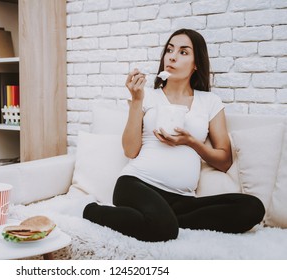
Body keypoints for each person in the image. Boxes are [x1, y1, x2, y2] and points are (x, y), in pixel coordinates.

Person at [83, 29, 265, 242]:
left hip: (182, 200)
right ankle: (92, 211)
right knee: (164, 230)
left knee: (252, 208)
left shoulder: (210, 102)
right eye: (169, 50)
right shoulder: (147, 96)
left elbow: (224, 161)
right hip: (137, 184)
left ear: (196, 64)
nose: (172, 56)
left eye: (183, 52)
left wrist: (191, 142)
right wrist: (137, 101)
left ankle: (165, 219)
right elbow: (130, 150)